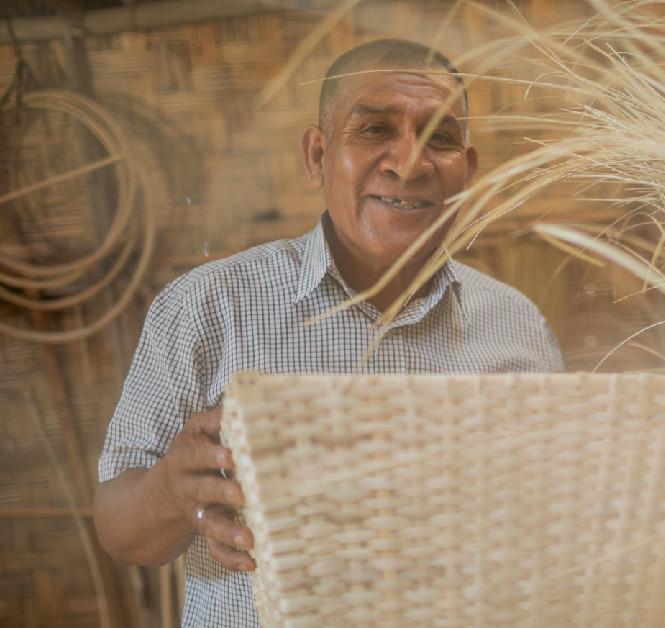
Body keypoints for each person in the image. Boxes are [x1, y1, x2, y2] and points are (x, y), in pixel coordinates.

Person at [93, 39, 564, 628]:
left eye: (439, 136)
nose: (410, 162)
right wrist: (170, 491)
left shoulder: (516, 326)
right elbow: (118, 530)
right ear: (317, 156)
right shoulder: (209, 309)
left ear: (466, 174)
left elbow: (549, 527)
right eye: (374, 129)